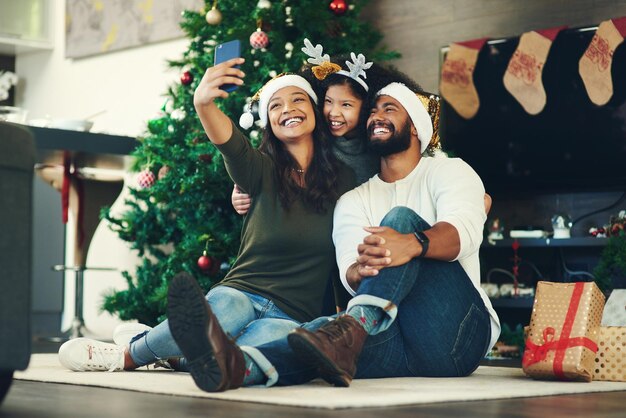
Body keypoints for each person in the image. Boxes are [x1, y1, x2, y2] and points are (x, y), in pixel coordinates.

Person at [164, 67, 501, 392]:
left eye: (390, 108)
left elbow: (464, 232)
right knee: (314, 338)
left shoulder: (450, 171)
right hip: (393, 338)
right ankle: (235, 367)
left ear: (415, 126)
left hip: (457, 334)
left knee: (399, 220)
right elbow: (349, 273)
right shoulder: (353, 198)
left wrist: (410, 243)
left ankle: (353, 327)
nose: (376, 115)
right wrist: (361, 268)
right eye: (373, 111)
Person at [57, 58, 356, 373]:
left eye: (298, 100)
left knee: (237, 361)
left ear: (314, 110)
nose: (288, 109)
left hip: (291, 314)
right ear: (269, 123)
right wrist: (203, 102)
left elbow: (346, 246)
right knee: (223, 309)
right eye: (275, 106)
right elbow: (230, 144)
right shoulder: (260, 169)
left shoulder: (344, 179)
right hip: (243, 291)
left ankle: (165, 348)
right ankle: (126, 356)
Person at [232, 39, 380, 216]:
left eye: (346, 105)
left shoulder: (376, 146)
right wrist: (240, 193)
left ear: (365, 108)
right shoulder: (316, 137)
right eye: (328, 102)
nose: (334, 112)